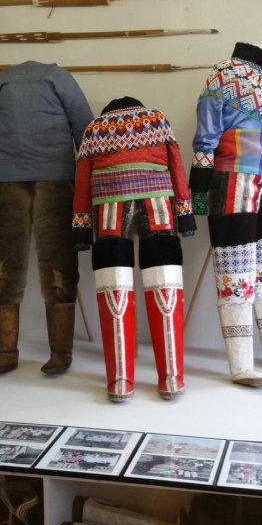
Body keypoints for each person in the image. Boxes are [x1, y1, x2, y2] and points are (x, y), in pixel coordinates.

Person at [0, 61, 94, 376]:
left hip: (25, 182)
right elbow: (88, 134)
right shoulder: (57, 78)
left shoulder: (3, 81)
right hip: (43, 181)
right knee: (58, 267)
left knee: (2, 268)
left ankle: (13, 353)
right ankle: (53, 353)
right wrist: (96, 189)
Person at [189, 41, 262, 389]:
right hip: (234, 180)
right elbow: (207, 133)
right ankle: (240, 365)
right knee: (236, 269)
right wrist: (200, 189)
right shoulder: (224, 75)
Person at [72, 97, 196, 402]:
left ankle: (120, 379)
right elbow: (177, 166)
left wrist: (81, 225)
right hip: (158, 205)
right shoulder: (158, 120)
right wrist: (185, 211)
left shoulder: (94, 130)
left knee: (113, 285)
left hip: (108, 209)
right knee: (165, 281)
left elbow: (82, 180)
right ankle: (171, 376)